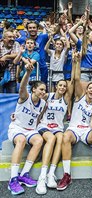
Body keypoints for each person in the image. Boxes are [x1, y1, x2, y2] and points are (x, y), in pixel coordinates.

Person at [57, 51, 92, 190]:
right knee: (65, 137)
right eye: (90, 88)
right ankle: (67, 175)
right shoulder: (79, 96)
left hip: (86, 130)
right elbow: (77, 79)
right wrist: (77, 62)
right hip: (74, 129)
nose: (91, 90)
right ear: (86, 90)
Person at [7, 64, 45, 195]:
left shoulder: (43, 103)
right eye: (41, 89)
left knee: (39, 140)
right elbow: (22, 87)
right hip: (17, 128)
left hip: (30, 130)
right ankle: (13, 180)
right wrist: (28, 73)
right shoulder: (25, 97)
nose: (43, 92)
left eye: (44, 90)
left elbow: (38, 118)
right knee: (21, 140)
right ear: (33, 89)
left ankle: (24, 174)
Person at [35, 75, 74, 194]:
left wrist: (75, 61)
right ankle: (42, 177)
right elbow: (34, 102)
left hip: (57, 128)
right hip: (44, 126)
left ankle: (51, 173)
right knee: (51, 139)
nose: (62, 87)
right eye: (60, 85)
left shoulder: (66, 99)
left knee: (61, 137)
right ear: (56, 86)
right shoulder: (48, 96)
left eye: (64, 86)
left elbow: (73, 81)